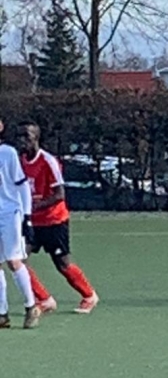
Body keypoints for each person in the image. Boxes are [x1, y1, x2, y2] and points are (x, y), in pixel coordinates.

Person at [18, 122, 99, 314]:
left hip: (53, 220)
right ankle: (45, 300)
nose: (22, 140)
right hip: (32, 222)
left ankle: (89, 296)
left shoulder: (48, 161)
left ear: (36, 138)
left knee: (62, 263)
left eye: (26, 136)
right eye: (19, 136)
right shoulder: (19, 161)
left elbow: (59, 194)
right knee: (18, 260)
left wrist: (36, 205)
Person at [0, 117, 40, 329]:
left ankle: (31, 306)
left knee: (14, 261)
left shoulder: (7, 153)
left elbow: (22, 185)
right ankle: (2, 313)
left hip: (9, 213)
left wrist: (27, 217)